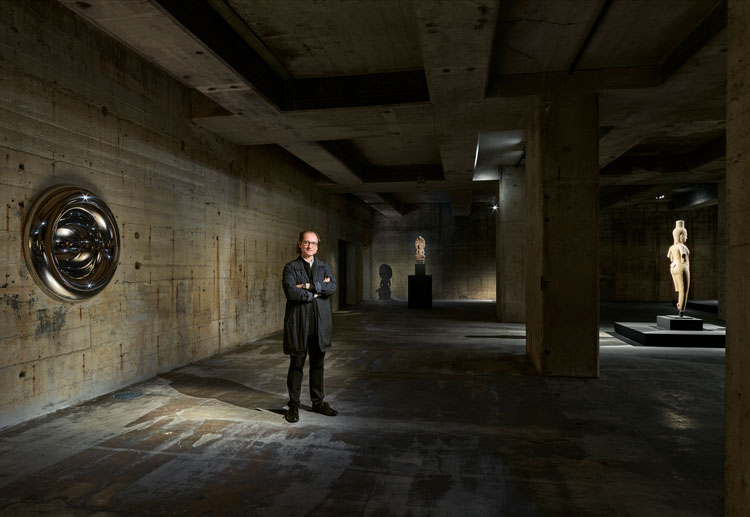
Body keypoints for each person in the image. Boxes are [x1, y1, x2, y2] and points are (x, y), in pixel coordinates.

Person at [281, 230, 338, 423]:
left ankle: (318, 403)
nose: (309, 246)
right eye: (306, 242)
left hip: (319, 323)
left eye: (313, 243)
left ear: (317, 246)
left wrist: (307, 286)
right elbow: (290, 292)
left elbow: (332, 287)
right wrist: (316, 291)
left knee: (318, 364)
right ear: (300, 244)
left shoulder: (323, 266)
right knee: (296, 364)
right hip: (299, 323)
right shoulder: (291, 267)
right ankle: (293, 405)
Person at [667, 220, 690, 316]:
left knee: (680, 289)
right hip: (682, 267)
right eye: (686, 235)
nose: (686, 237)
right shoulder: (682, 246)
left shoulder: (671, 247)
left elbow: (670, 257)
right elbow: (683, 257)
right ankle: (681, 309)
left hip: (673, 268)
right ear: (680, 236)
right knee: (684, 290)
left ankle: (680, 307)